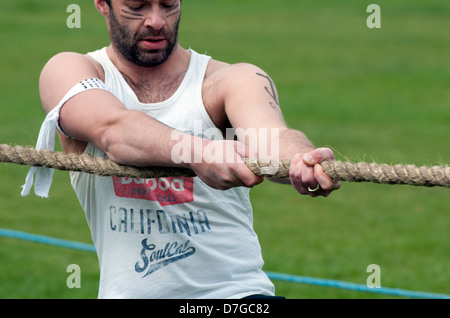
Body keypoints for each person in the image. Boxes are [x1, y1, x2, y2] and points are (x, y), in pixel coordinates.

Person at [30, 0, 341, 298]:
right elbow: (113, 131)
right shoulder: (71, 71)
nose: (156, 21)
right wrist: (198, 153)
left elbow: (271, 138)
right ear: (102, 4)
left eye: (169, 5)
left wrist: (302, 158)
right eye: (137, 7)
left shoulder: (231, 80)